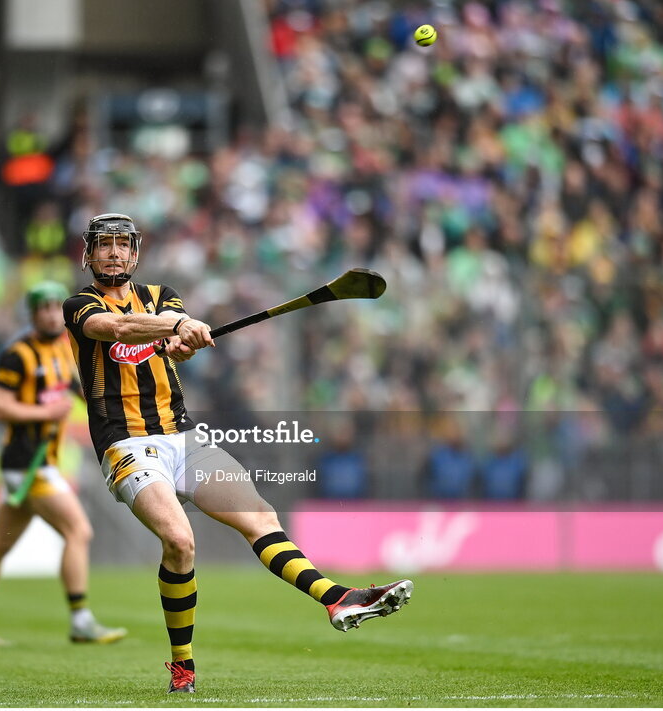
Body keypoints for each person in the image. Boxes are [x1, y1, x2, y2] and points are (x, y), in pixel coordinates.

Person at [63, 214, 412, 693]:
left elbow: (172, 345)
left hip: (183, 437)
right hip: (126, 444)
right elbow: (119, 329)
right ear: (89, 253)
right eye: (105, 245)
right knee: (181, 543)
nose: (115, 253)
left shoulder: (163, 296)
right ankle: (182, 667)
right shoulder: (78, 305)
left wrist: (183, 338)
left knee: (262, 518)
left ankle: (338, 598)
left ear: (136, 252)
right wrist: (180, 325)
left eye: (123, 244)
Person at [0, 281, 127, 646]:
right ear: (33, 314)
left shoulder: (66, 352)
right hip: (26, 462)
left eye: (56, 307)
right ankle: (81, 619)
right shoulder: (17, 354)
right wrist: (44, 412)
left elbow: (78, 390)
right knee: (79, 531)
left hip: (38, 463)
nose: (52, 314)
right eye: (44, 308)